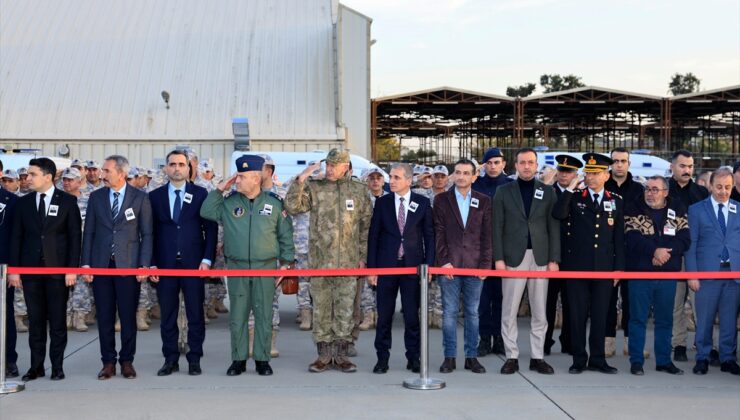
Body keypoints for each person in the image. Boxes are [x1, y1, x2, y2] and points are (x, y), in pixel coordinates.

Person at [201, 155, 294, 376]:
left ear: (255, 178)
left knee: (264, 316)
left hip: (266, 268)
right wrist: (220, 189)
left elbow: (285, 236)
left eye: (241, 176)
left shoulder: (273, 203)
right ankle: (239, 360)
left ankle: (262, 360)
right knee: (238, 317)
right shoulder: (229, 203)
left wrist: (286, 264)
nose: (237, 180)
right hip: (237, 268)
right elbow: (205, 212)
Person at [285, 148, 372, 373]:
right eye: (328, 165)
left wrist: (363, 257)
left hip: (348, 263)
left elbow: (365, 227)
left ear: (346, 167)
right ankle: (323, 355)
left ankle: (341, 355)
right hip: (320, 263)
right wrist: (302, 178)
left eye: (335, 165)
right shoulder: (315, 188)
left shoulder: (359, 191)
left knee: (344, 309)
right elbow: (293, 207)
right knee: (322, 309)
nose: (330, 169)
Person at [9, 158, 82, 381]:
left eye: (33, 174)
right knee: (36, 322)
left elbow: (74, 238)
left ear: (48, 177)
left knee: (58, 322)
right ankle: (36, 366)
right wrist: (14, 270)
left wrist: (72, 270)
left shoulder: (67, 201)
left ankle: (57, 366)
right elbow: (16, 238)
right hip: (31, 273)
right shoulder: (23, 203)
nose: (28, 179)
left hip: (57, 273)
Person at [81, 155, 153, 380]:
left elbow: (147, 233)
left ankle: (127, 361)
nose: (102, 174)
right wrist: (86, 263)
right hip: (102, 266)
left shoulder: (140, 198)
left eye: (106, 170)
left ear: (121, 174)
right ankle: (108, 362)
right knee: (104, 316)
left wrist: (144, 265)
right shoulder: (96, 197)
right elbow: (89, 232)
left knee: (128, 316)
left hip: (128, 267)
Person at [552, 153, 625, 374]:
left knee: (601, 315)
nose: (590, 177)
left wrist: (618, 268)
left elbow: (619, 238)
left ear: (606, 175)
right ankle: (578, 359)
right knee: (577, 316)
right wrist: (571, 188)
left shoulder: (615, 200)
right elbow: (558, 214)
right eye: (588, 173)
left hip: (604, 269)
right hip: (577, 268)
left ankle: (598, 359)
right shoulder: (575, 197)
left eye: (595, 174)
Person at [149, 150, 217, 376]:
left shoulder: (201, 194)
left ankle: (194, 358)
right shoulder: (155, 196)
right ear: (166, 168)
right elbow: (149, 233)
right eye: (172, 164)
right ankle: (170, 359)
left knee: (195, 314)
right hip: (165, 265)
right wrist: (152, 264)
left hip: (194, 265)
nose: (177, 168)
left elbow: (210, 229)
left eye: (181, 164)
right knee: (168, 315)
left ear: (189, 168)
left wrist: (207, 259)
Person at [493, 148, 559, 375]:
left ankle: (537, 356)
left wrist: (553, 259)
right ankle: (511, 355)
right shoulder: (503, 191)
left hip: (540, 257)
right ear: (515, 165)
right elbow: (497, 227)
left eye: (531, 162)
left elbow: (553, 227)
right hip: (513, 257)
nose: (527, 166)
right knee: (509, 310)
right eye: (523, 162)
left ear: (537, 164)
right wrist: (499, 258)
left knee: (540, 310)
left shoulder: (548, 192)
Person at [367, 163, 434, 374]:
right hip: (387, 267)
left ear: (408, 180)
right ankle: (382, 359)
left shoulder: (422, 203)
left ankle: (413, 358)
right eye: (391, 177)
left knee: (412, 317)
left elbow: (430, 237)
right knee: (384, 316)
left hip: (412, 269)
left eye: (396, 177)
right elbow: (373, 237)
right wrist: (372, 270)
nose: (391, 181)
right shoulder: (383, 203)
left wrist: (428, 267)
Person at [624, 176, 689, 375]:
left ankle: (663, 361)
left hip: (667, 274)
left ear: (665, 192)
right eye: (647, 189)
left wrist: (664, 253)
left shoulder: (677, 209)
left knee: (664, 320)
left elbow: (685, 239)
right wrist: (654, 252)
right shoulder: (633, 207)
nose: (650, 193)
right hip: (640, 273)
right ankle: (636, 361)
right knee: (637, 319)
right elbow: (632, 238)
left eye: (655, 189)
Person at [434, 158, 492, 374]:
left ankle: (471, 357)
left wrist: (485, 265)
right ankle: (449, 357)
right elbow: (438, 233)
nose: (461, 176)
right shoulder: (441, 200)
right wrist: (444, 262)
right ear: (453, 175)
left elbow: (487, 235)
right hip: (449, 266)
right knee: (448, 313)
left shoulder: (484, 201)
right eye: (457, 172)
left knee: (472, 313)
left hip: (475, 267)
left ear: (474, 176)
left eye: (466, 173)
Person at [686, 167, 740, 375]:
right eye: (718, 187)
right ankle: (702, 357)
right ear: (710, 186)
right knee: (705, 320)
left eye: (727, 187)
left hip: (733, 275)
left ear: (733, 186)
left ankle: (728, 358)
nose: (723, 192)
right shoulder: (697, 210)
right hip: (707, 274)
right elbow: (691, 244)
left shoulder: (738, 208)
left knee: (729, 321)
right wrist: (692, 274)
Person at [667, 150, 710, 363]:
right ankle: (679, 344)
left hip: (697, 257)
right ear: (672, 167)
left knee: (699, 304)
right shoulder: (663, 190)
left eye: (690, 166)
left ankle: (703, 344)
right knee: (675, 304)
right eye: (683, 166)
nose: (687, 170)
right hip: (673, 256)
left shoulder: (701, 193)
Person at [604, 148, 645, 358]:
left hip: (634, 252)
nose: (619, 164)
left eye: (623, 161)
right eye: (616, 161)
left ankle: (632, 342)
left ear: (629, 164)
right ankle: (607, 341)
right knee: (608, 299)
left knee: (633, 300)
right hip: (607, 252)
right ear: (610, 164)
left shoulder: (639, 189)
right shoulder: (603, 186)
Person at [473, 147, 514, 357]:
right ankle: (484, 339)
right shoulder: (476, 184)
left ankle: (499, 338)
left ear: (504, 164)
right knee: (482, 299)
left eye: (497, 162)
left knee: (501, 298)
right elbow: (452, 186)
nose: (493, 166)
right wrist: (474, 171)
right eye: (489, 162)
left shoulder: (510, 185)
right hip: (480, 251)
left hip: (502, 250)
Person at [545, 155, 582, 356]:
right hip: (551, 256)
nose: (564, 174)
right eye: (561, 170)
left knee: (571, 304)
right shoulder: (547, 193)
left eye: (569, 172)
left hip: (572, 257)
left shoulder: (581, 194)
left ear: (576, 175)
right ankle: (545, 342)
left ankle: (568, 342)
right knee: (547, 304)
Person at [61, 167, 95, 332]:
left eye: (70, 180)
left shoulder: (88, 201)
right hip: (63, 248)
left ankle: (80, 316)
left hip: (83, 246)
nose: (66, 183)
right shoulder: (58, 199)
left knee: (82, 283)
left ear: (80, 182)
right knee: (63, 282)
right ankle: (66, 315)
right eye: (65, 180)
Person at [358, 167, 388, 332]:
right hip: (365, 244)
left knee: (383, 282)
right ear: (366, 181)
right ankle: (368, 314)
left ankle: (381, 314)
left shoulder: (391, 199)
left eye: (378, 178)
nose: (375, 181)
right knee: (366, 283)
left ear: (383, 181)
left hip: (384, 246)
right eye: (372, 178)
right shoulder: (362, 200)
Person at [0, 164, 19, 378]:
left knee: (4, 317)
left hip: (3, 269)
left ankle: (8, 360)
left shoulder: (12, 201)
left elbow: (16, 238)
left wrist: (14, 269)